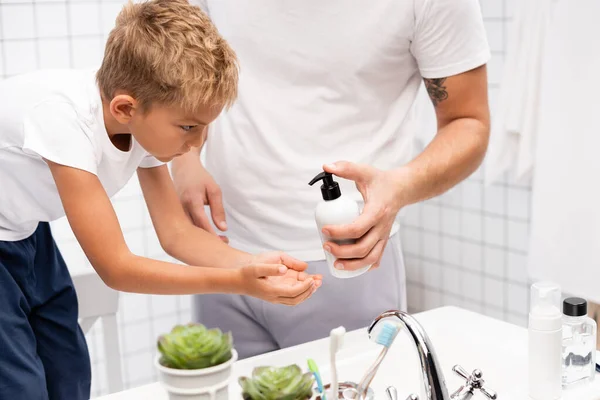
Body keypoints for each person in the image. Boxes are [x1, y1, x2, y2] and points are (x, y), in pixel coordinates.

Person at [0, 1, 322, 399]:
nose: (197, 143)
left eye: (204, 127)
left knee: (67, 371)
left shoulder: (141, 121)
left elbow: (175, 234)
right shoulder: (63, 120)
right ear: (125, 107)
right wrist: (235, 282)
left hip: (27, 232)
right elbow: (117, 269)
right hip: (7, 239)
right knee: (20, 388)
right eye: (189, 126)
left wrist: (254, 264)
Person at [173, 0, 492, 359]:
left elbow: (468, 122)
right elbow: (174, 62)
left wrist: (399, 187)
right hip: (219, 254)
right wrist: (184, 158)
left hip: (347, 266)